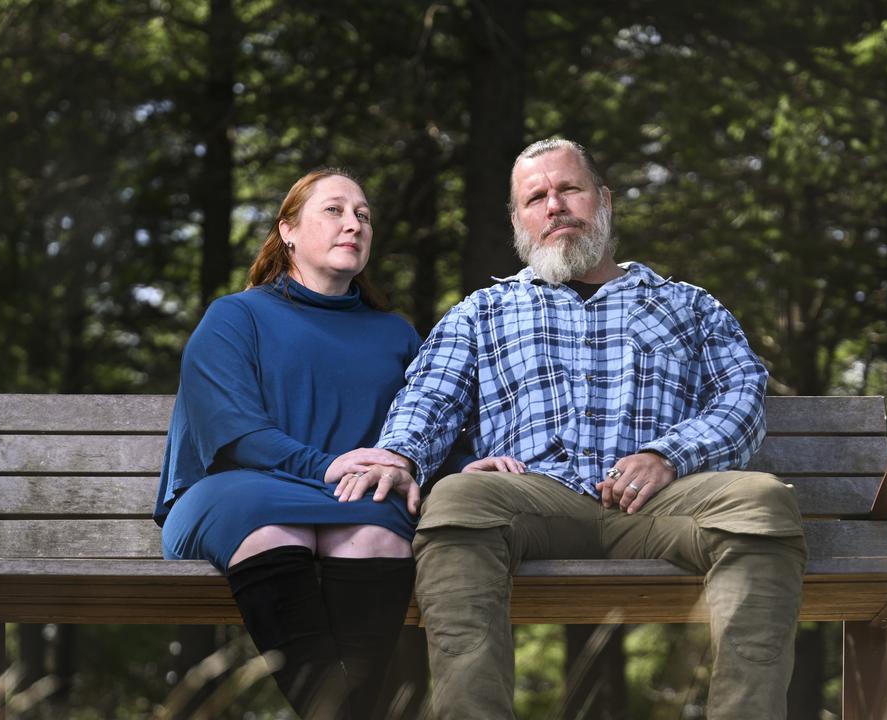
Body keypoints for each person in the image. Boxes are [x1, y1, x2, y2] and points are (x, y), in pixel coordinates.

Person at [342, 139, 807, 719]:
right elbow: (430, 397)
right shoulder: (483, 311)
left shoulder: (687, 305)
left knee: (760, 500)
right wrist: (399, 456)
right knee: (459, 497)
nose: (554, 205)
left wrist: (667, 455)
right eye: (536, 198)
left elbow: (742, 398)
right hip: (532, 498)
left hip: (662, 503)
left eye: (569, 189)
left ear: (603, 200)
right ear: (518, 221)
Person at [153, 168, 425, 719]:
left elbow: (430, 423)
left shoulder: (396, 334)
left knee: (376, 533)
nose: (353, 224)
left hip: (356, 501)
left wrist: (469, 462)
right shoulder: (236, 317)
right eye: (334, 210)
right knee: (276, 524)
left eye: (363, 216)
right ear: (288, 231)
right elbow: (235, 435)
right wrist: (326, 467)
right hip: (237, 497)